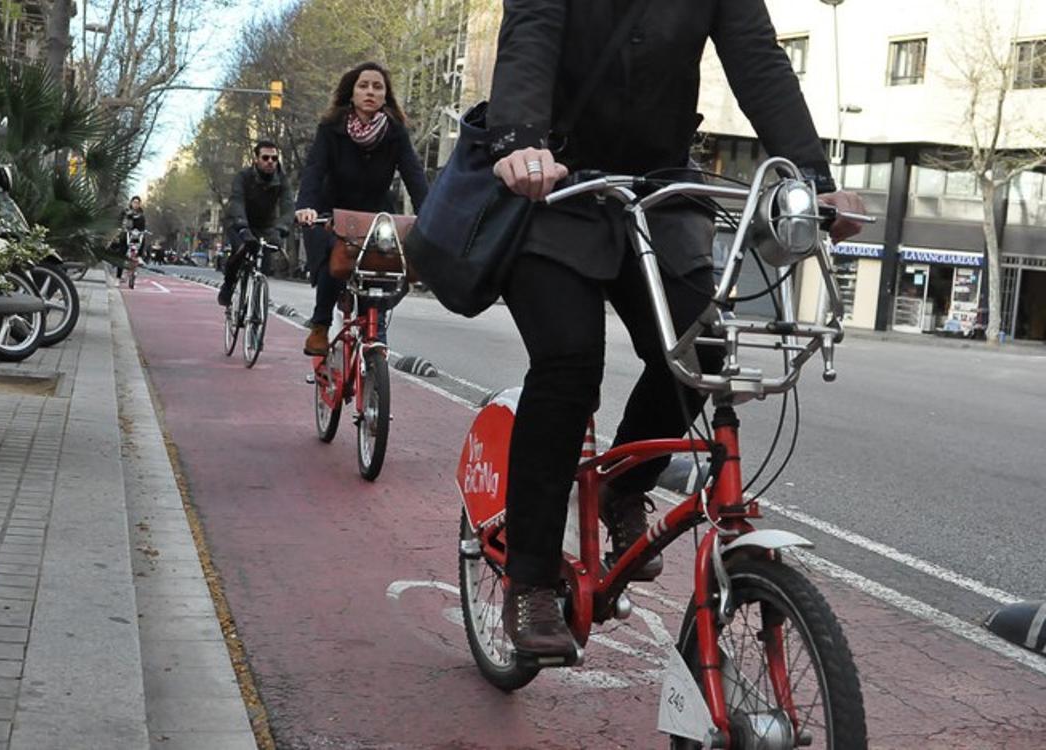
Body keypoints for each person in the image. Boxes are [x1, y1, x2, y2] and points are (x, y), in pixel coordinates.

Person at [485, 0, 866, 658]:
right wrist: (521, 141)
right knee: (570, 364)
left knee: (708, 348)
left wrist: (813, 180)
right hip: (551, 187)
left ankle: (623, 485)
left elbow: (759, 62)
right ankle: (529, 581)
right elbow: (530, 36)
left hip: (657, 189)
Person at [294, 61, 429, 356]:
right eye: (363, 85)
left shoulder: (396, 132)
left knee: (389, 267)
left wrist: (431, 215)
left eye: (377, 87)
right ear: (351, 93)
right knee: (336, 259)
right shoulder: (331, 128)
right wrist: (306, 208)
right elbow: (314, 170)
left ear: (385, 96)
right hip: (331, 211)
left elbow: (414, 176)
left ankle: (374, 325)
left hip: (375, 215)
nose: (370, 91)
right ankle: (320, 325)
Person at [218, 140, 295, 305]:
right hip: (239, 221)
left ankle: (255, 308)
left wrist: (280, 230)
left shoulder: (282, 180)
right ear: (256, 159)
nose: (270, 162)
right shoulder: (243, 177)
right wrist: (242, 227)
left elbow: (288, 207)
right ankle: (228, 285)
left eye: (274, 158)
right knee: (240, 250)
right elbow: (237, 202)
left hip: (265, 226)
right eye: (265, 157)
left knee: (265, 265)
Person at [115, 196, 146, 281]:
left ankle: (139, 256)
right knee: (122, 254)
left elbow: (142, 227)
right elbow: (119, 221)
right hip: (125, 235)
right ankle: (118, 277)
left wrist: (141, 232)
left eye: (138, 203)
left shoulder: (141, 215)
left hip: (135, 235)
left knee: (143, 237)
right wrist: (119, 228)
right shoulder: (125, 212)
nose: (136, 204)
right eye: (134, 202)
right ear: (131, 202)